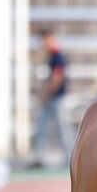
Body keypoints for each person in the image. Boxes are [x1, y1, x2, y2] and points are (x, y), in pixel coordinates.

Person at [31, 28, 70, 167]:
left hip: (56, 98)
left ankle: (70, 158)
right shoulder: (53, 55)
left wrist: (45, 93)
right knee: (42, 127)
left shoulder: (57, 55)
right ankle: (40, 157)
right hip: (52, 98)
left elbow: (56, 79)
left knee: (62, 129)